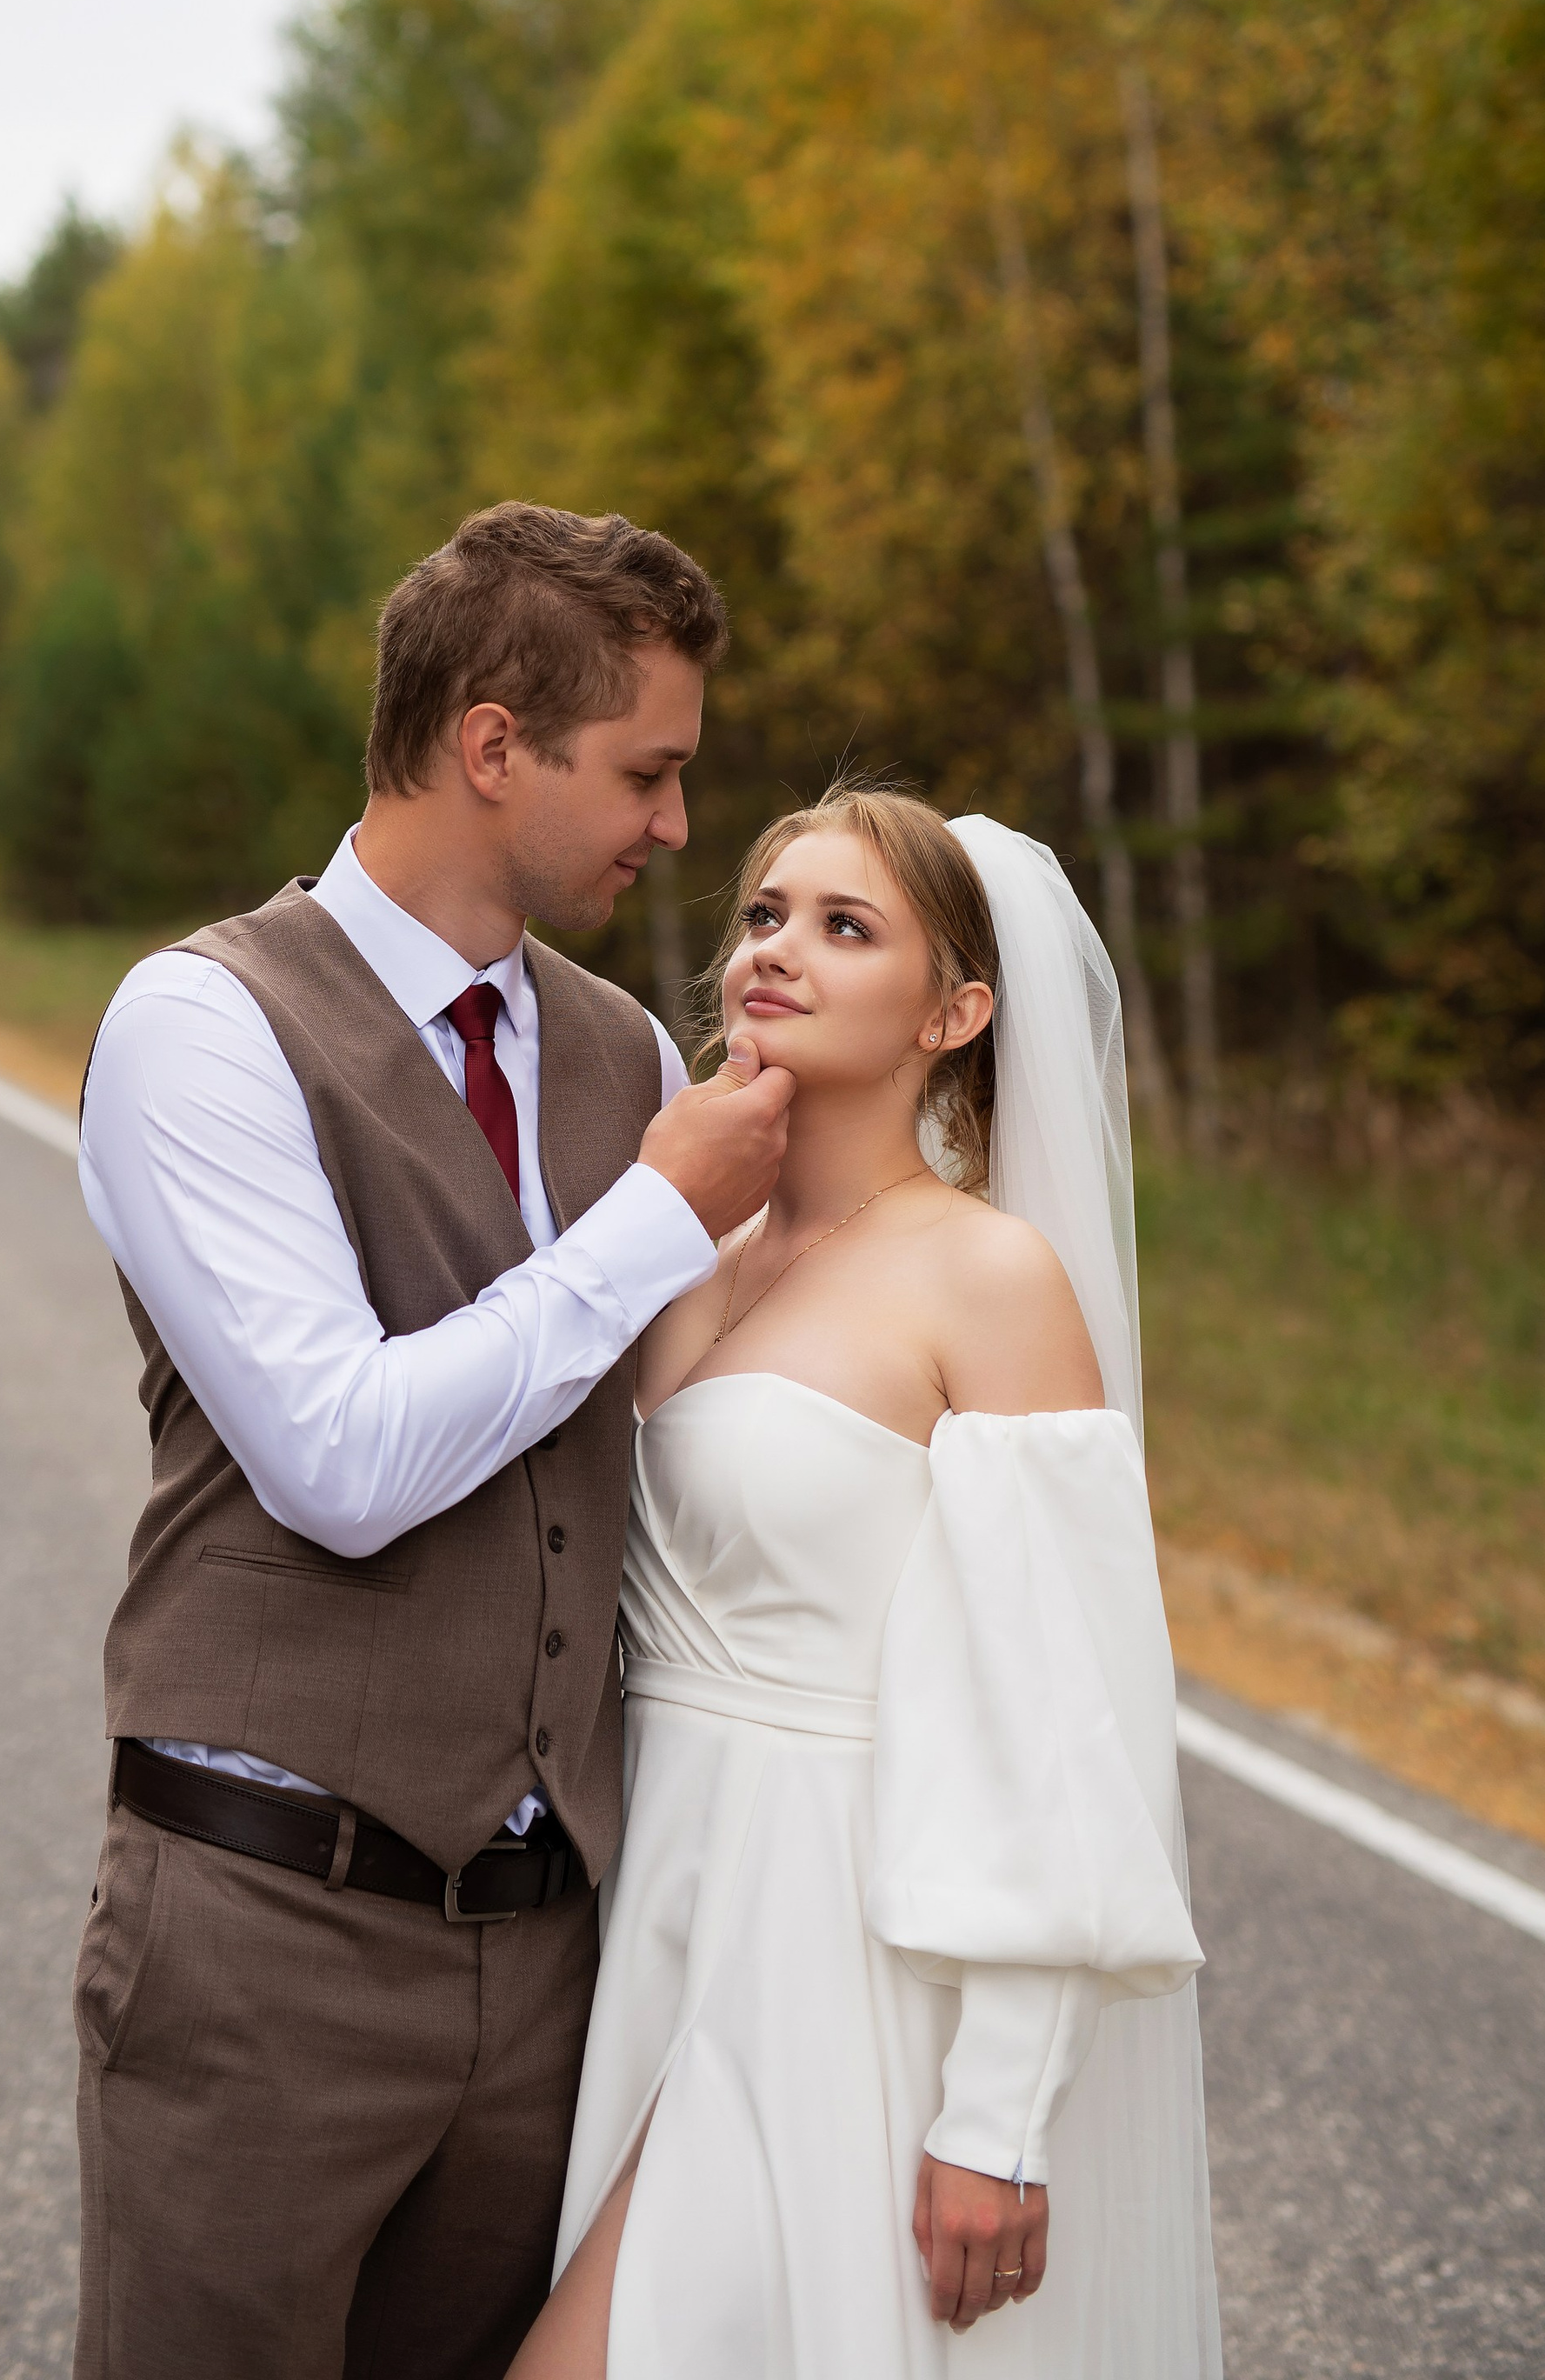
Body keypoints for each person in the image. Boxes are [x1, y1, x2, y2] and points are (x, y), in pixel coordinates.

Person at [70, 502, 796, 2380]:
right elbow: (339, 1456)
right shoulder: (203, 1024)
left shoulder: (629, 1048)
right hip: (263, 1935)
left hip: (555, 1957)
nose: (672, 827)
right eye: (644, 771)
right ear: (492, 742)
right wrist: (650, 1213)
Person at [510, 787, 1220, 2379]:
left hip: (841, 1949)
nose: (777, 950)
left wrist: (1002, 2114)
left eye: (846, 926)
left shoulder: (989, 1275)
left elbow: (1062, 1716)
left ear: (956, 1012)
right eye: (764, 913)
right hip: (654, 1917)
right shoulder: (691, 1235)